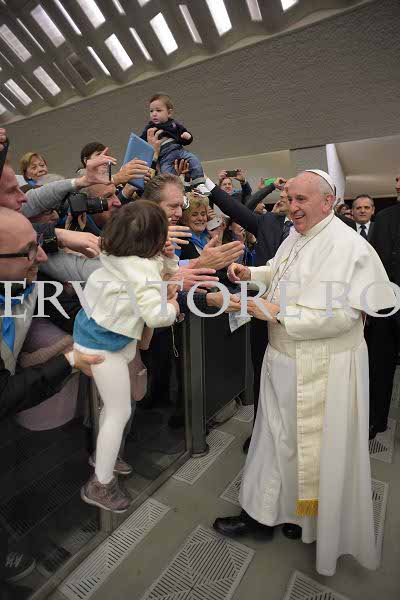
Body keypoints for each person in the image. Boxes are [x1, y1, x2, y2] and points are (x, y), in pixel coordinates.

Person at [213, 169, 396, 576]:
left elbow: (345, 316)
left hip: (323, 366)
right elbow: (281, 271)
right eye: (289, 199)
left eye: (301, 199)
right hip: (283, 357)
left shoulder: (349, 247)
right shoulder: (298, 234)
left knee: (312, 450)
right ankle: (264, 514)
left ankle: (305, 517)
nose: (291, 207)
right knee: (273, 440)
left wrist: (276, 312)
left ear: (328, 202)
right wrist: (252, 274)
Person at [0, 208, 103, 597]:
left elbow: (75, 307)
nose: (40, 258)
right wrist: (69, 359)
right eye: (30, 251)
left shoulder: (24, 281)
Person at [74, 201, 180, 513]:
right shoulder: (141, 269)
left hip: (103, 335)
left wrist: (167, 258)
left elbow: (163, 272)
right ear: (152, 239)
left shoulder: (118, 256)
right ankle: (100, 483)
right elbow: (157, 315)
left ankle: (103, 457)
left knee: (114, 410)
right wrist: (173, 306)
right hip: (102, 346)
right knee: (118, 412)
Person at [201, 176, 287, 452]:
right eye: (285, 195)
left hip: (300, 320)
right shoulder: (268, 222)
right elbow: (235, 207)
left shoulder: (324, 235)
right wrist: (203, 180)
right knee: (262, 374)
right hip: (261, 314)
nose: (286, 199)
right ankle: (261, 433)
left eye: (296, 196)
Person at [366, 173, 400, 439]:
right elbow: (371, 265)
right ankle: (375, 421)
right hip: (384, 311)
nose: (397, 183)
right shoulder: (384, 219)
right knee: (379, 369)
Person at [140, 93, 208, 194]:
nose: (154, 114)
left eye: (158, 110)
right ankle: (171, 192)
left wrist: (188, 136)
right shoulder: (149, 128)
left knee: (194, 160)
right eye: (151, 111)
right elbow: (142, 142)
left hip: (179, 151)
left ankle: (199, 184)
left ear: (169, 113)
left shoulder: (174, 124)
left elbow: (185, 137)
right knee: (166, 176)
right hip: (165, 158)